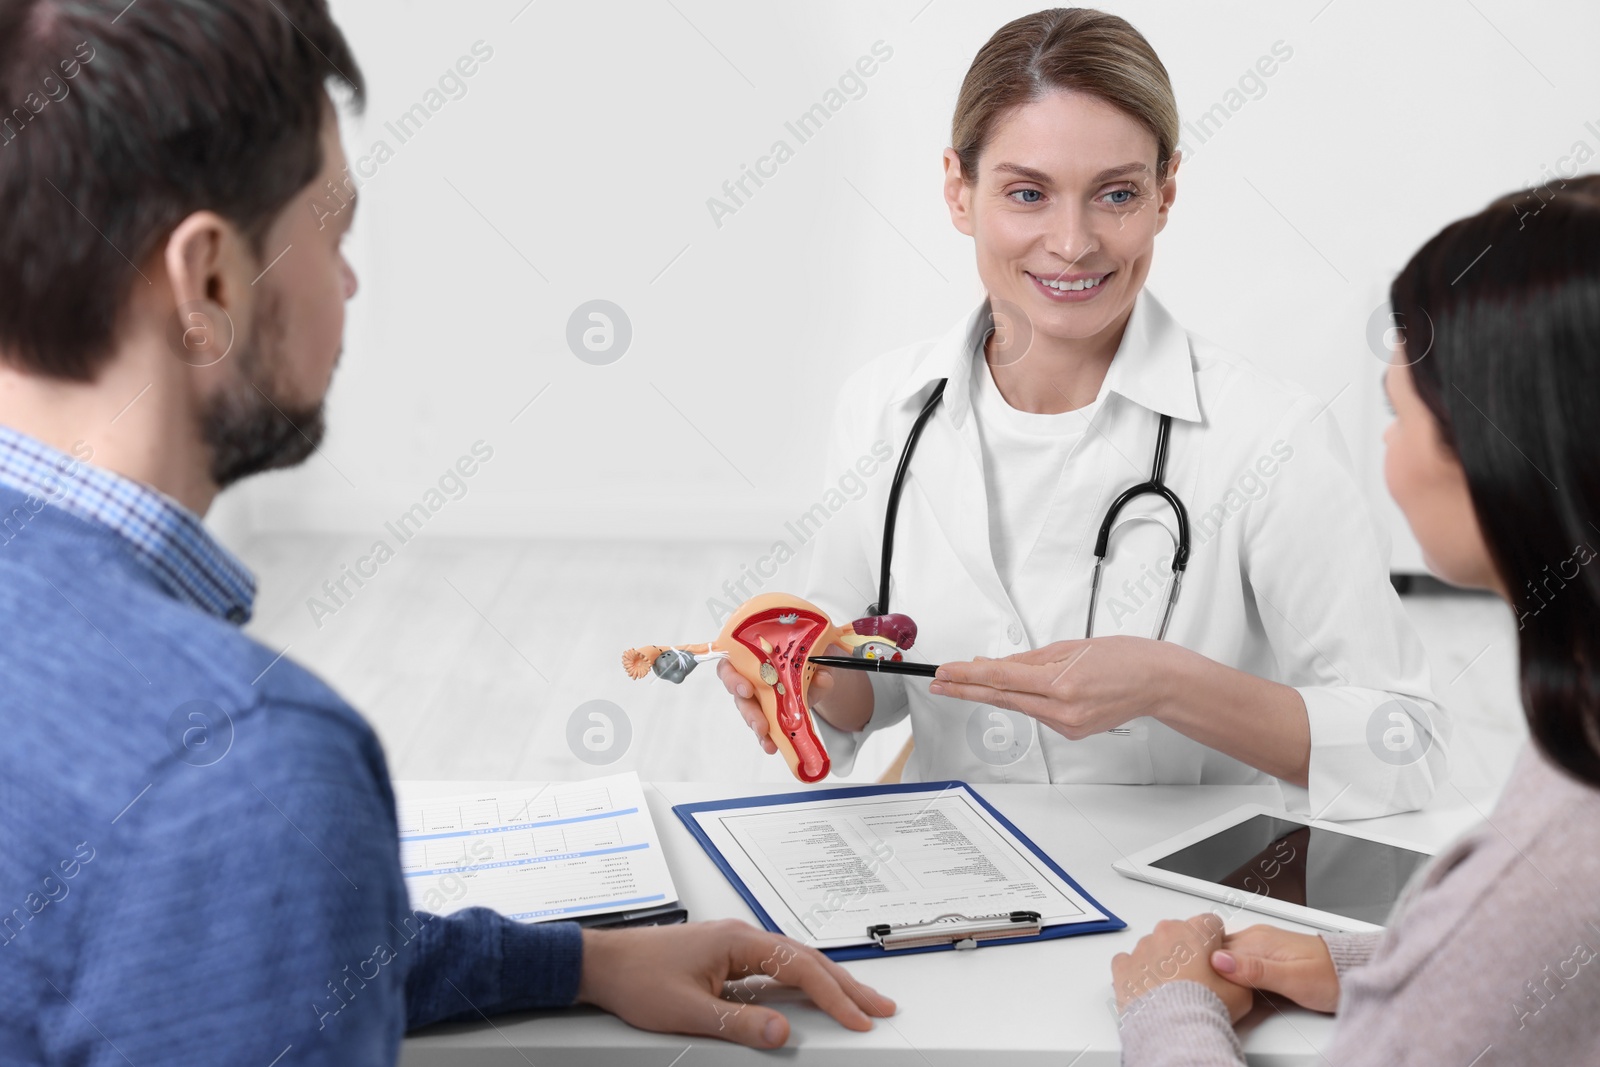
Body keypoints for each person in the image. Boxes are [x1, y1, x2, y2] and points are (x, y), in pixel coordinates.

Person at [0, 1, 892, 1063]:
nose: (348, 282)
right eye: (330, 233)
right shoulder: (246, 763)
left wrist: (579, 961)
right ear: (209, 282)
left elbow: (200, 944)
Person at [720, 7, 1447, 821]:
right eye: (1027, 193)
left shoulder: (1267, 436)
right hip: (944, 879)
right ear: (959, 191)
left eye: (1117, 195)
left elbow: (1405, 742)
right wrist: (805, 678)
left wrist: (1167, 683)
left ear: (1167, 192)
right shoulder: (880, 408)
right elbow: (865, 695)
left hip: (1174, 914)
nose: (1072, 242)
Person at [1110, 176, 1600, 1063]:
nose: (1386, 446)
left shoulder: (1553, 854)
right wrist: (1403, 961)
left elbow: (1519, 925)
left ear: (1504, 449)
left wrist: (1170, 1006)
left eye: (1397, 411)